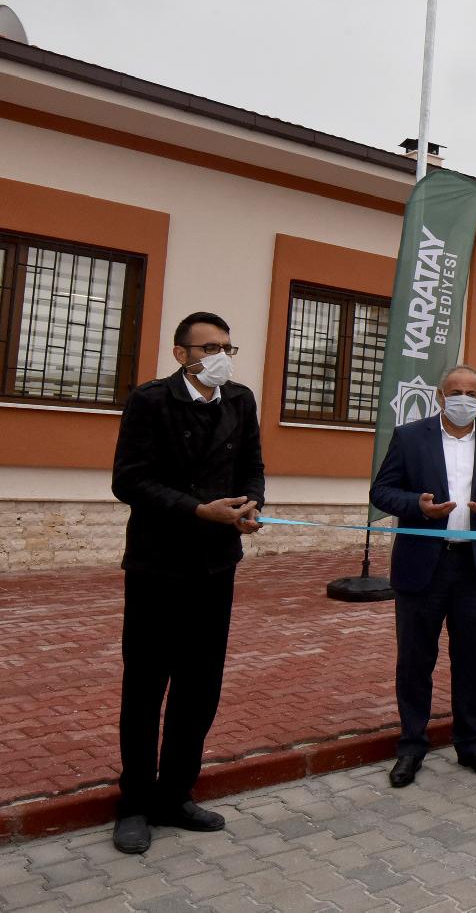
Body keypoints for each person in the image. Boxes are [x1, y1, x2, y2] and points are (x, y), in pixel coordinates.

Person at [109, 312, 265, 854]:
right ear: (181, 354)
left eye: (227, 347)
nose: (220, 357)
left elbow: (252, 466)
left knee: (200, 686)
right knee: (146, 685)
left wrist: (250, 505)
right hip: (157, 565)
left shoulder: (240, 400)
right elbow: (129, 481)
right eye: (209, 348)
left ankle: (175, 794)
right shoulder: (150, 400)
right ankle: (135, 802)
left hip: (215, 566)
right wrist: (198, 510)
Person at [371, 365, 476, 789]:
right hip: (423, 566)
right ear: (441, 396)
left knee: (471, 660)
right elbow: (381, 491)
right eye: (455, 392)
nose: (463, 399)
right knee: (415, 661)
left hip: (475, 568)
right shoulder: (410, 437)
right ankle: (411, 746)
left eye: (472, 393)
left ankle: (471, 744)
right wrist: (417, 505)